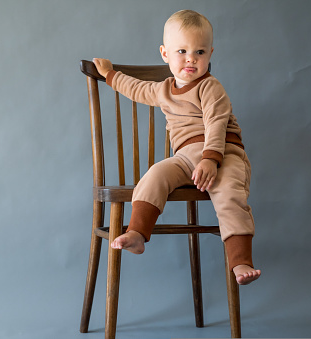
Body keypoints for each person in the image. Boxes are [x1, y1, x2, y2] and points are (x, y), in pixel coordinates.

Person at [93, 9, 261, 285]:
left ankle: (240, 261)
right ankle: (137, 232)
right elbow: (135, 88)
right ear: (165, 54)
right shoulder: (163, 90)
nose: (191, 59)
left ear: (210, 54)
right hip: (185, 158)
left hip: (224, 154)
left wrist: (211, 158)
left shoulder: (211, 87)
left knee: (231, 196)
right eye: (182, 51)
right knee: (155, 175)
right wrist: (110, 74)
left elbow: (216, 123)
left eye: (200, 52)